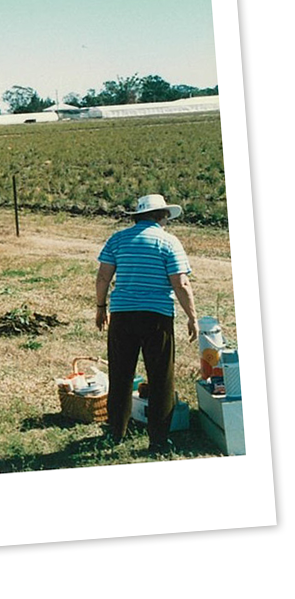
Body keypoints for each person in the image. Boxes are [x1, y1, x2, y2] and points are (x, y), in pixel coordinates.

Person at [95, 194, 198, 454]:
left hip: (122, 315)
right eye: (165, 217)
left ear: (138, 216)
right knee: (161, 378)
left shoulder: (117, 239)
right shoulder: (169, 241)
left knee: (120, 375)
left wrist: (100, 307)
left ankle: (116, 432)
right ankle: (158, 441)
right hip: (157, 317)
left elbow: (103, 277)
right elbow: (181, 283)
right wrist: (192, 316)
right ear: (160, 216)